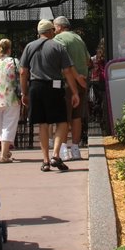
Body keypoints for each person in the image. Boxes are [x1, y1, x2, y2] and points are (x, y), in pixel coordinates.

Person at [19, 19, 81, 172]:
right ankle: (55, 155)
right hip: (54, 87)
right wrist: (75, 92)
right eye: (53, 30)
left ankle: (45, 160)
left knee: (43, 124)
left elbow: (22, 72)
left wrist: (24, 92)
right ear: (50, 31)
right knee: (62, 122)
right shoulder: (58, 46)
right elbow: (67, 71)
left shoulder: (29, 47)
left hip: (35, 87)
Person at [52, 16, 90, 161]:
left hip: (66, 83)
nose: (54, 30)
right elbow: (87, 60)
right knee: (76, 117)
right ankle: (75, 149)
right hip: (82, 82)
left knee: (63, 118)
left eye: (55, 27)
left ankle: (62, 150)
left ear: (60, 27)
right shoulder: (79, 39)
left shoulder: (59, 39)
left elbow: (62, 61)